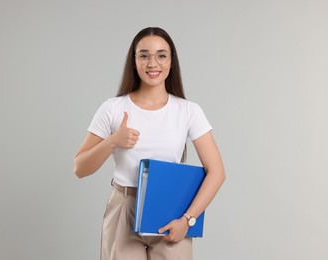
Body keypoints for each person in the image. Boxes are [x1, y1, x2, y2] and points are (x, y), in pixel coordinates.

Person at [74, 27, 226, 260]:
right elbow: (80, 168)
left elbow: (217, 172)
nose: (152, 63)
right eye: (144, 55)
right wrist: (112, 142)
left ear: (171, 62)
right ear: (134, 61)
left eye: (161, 55)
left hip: (172, 210)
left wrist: (188, 219)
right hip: (124, 207)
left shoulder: (188, 111)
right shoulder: (113, 108)